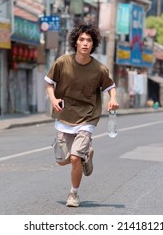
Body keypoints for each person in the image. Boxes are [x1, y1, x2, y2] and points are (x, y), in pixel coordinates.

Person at [44, 22, 119, 207]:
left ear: (93, 45)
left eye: (89, 40)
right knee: (64, 161)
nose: (85, 43)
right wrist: (53, 99)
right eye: (82, 39)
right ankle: (86, 154)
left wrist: (113, 99)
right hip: (64, 115)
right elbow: (49, 83)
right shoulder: (62, 62)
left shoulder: (99, 69)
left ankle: (73, 194)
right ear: (75, 42)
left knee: (75, 158)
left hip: (88, 116)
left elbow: (111, 87)